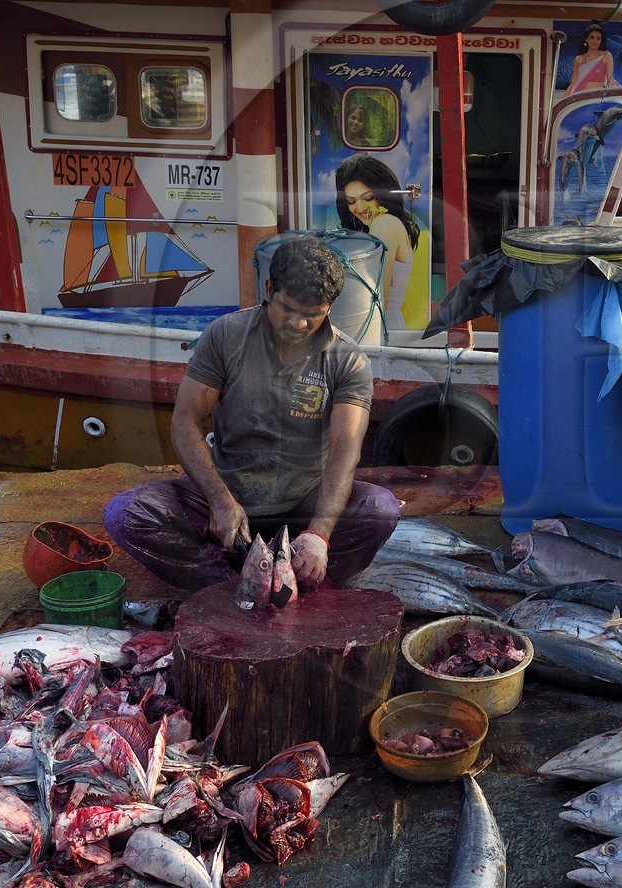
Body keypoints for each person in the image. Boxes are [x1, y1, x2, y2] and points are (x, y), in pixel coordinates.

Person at [103, 236, 401, 593]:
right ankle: (227, 584)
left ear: (331, 305)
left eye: (312, 315)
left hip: (304, 504)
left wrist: (319, 533)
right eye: (287, 308)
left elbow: (344, 450)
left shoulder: (348, 361)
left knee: (380, 510)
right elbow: (185, 420)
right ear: (269, 288)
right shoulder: (225, 335)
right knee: (126, 513)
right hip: (229, 497)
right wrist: (219, 499)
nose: (298, 323)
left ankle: (302, 582)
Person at [335, 153, 427, 332]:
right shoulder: (388, 223)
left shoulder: (384, 224)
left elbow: (378, 298)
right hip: (385, 324)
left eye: (368, 198)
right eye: (351, 201)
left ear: (383, 194)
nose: (360, 208)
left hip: (379, 328)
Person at [567, 22, 616, 94]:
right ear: (586, 39)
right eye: (591, 37)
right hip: (580, 97)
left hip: (597, 98)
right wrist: (563, 100)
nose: (595, 41)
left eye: (598, 38)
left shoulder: (606, 56)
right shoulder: (578, 59)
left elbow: (610, 81)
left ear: (601, 41)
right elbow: (574, 84)